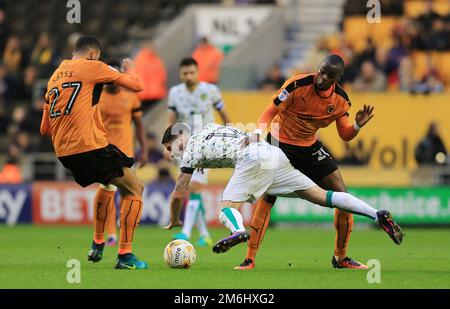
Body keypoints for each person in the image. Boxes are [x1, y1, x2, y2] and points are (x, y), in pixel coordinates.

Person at [162, 123, 403, 261]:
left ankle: (238, 231)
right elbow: (224, 143)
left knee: (226, 207)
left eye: (170, 147)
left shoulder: (191, 148)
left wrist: (175, 219)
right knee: (322, 196)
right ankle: (376, 214)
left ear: (179, 137)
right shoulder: (207, 129)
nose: (171, 153)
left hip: (252, 158)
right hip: (273, 154)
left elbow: (179, 190)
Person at [239, 54, 376, 270]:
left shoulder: (341, 100)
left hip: (309, 147)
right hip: (278, 141)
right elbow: (269, 112)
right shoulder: (296, 84)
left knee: (343, 196)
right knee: (268, 196)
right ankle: (250, 258)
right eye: (321, 70)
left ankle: (341, 258)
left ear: (337, 77)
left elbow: (345, 135)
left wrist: (357, 126)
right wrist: (257, 132)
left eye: (329, 75)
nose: (322, 77)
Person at [39, 35, 148, 270]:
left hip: (64, 153)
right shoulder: (92, 66)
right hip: (88, 146)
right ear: (92, 55)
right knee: (135, 188)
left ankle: (98, 242)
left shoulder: (54, 77)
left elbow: (44, 129)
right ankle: (125, 257)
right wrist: (130, 69)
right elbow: (138, 86)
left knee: (107, 184)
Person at [167, 57, 231, 246]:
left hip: (207, 144)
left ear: (197, 72)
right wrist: (168, 144)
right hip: (184, 145)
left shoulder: (210, 90)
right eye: (184, 73)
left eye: (191, 72)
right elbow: (170, 120)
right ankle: (204, 234)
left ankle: (186, 232)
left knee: (194, 186)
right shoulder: (175, 93)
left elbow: (225, 116)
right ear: (180, 74)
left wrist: (231, 136)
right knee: (190, 189)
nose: (188, 76)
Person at [96, 59, 148, 247]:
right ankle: (111, 233)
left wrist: (144, 149)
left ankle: (119, 225)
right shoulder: (96, 95)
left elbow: (139, 125)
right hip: (105, 151)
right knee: (109, 188)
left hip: (126, 151)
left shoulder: (131, 96)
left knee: (126, 191)